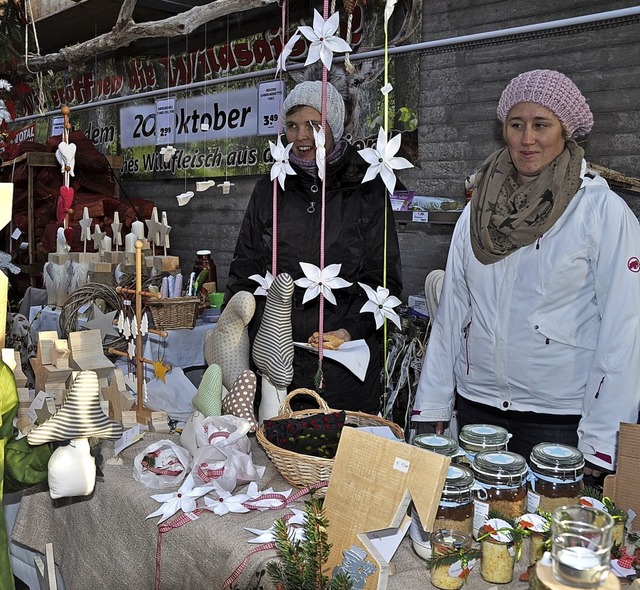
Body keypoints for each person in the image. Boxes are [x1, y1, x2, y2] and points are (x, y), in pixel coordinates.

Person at [411, 69, 640, 478]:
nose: (527, 138)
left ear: (566, 131)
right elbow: (452, 315)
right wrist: (433, 404)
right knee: (472, 529)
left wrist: (603, 440)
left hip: (558, 420)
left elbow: (625, 329)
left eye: (541, 124)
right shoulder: (476, 211)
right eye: (517, 125)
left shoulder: (600, 212)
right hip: (478, 411)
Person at [225, 77, 402, 414]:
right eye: (292, 126)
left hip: (339, 370)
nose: (301, 136)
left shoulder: (366, 189)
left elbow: (384, 280)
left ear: (333, 125)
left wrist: (350, 330)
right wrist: (239, 327)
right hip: (273, 362)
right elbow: (244, 266)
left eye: (313, 125)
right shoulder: (270, 187)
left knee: (331, 456)